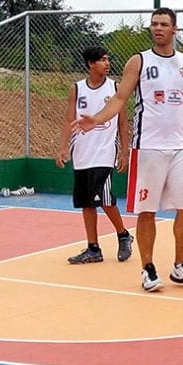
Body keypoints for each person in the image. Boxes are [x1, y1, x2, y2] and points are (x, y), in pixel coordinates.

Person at [73, 7, 183, 292]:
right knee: (147, 211)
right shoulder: (139, 61)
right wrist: (95, 119)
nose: (158, 28)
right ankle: (147, 268)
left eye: (163, 24)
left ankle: (180, 266)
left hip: (180, 147)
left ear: (175, 30)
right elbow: (120, 98)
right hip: (148, 147)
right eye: (154, 24)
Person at [56, 46, 134, 264]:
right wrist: (63, 147)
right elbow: (67, 120)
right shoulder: (77, 89)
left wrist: (124, 152)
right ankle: (93, 248)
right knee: (86, 203)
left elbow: (122, 123)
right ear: (91, 64)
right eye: (102, 60)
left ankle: (123, 235)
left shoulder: (115, 88)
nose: (107, 63)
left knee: (105, 198)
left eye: (108, 59)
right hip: (82, 152)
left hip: (104, 153)